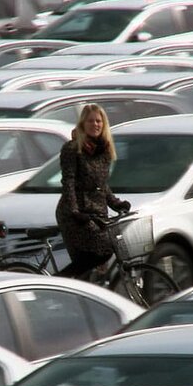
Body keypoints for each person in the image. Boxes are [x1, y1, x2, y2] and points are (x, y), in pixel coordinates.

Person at [55, 104, 130, 278]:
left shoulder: (104, 150)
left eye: (98, 121)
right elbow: (69, 182)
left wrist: (116, 203)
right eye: (90, 121)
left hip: (95, 214)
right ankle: (59, 280)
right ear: (82, 124)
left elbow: (102, 185)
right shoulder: (72, 149)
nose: (95, 124)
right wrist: (75, 211)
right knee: (103, 250)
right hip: (74, 215)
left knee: (87, 270)